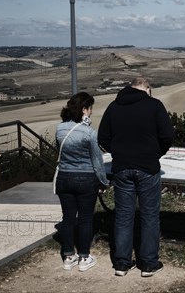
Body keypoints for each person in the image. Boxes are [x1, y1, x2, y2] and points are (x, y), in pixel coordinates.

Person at [98, 77, 175, 277]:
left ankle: (122, 263)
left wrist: (118, 152)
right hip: (148, 167)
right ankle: (148, 263)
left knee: (123, 216)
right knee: (150, 215)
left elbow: (102, 137)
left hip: (122, 167)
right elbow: (168, 135)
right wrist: (155, 152)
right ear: (147, 89)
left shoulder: (114, 106)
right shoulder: (154, 106)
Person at [55, 92, 109, 272]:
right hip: (86, 179)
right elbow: (97, 161)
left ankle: (68, 255)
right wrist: (103, 182)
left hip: (64, 177)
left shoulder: (60, 129)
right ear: (84, 109)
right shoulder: (89, 133)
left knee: (68, 218)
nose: (92, 112)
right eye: (90, 108)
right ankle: (84, 257)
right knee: (86, 219)